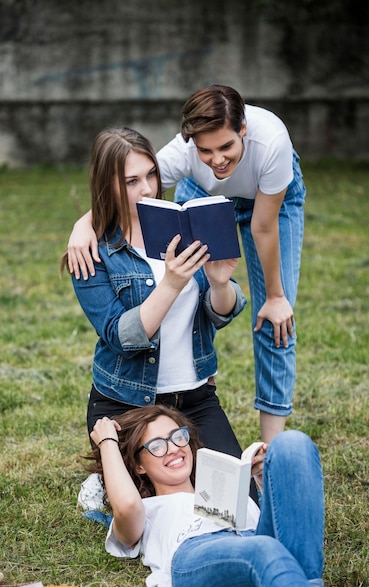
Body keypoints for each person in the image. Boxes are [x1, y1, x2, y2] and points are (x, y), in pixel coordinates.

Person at [66, 85, 307, 443]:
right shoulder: (178, 159)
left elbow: (262, 227)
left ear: (243, 129)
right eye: (206, 150)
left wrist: (262, 293)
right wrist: (83, 223)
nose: (218, 158)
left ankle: (271, 451)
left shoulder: (271, 143)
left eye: (226, 146)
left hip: (268, 201)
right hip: (201, 193)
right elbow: (121, 191)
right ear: (191, 143)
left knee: (276, 318)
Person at [61, 126, 257, 508]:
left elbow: (219, 314)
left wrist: (219, 283)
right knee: (164, 503)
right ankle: (109, 472)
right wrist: (171, 283)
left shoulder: (180, 229)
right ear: (107, 185)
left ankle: (123, 470)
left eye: (151, 174)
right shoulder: (92, 252)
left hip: (195, 398)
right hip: (128, 405)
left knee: (240, 503)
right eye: (131, 181)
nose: (148, 189)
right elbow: (122, 336)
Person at [88, 404, 342, 587]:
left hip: (253, 541)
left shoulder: (227, 493)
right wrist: (107, 442)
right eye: (157, 445)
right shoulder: (147, 511)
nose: (173, 448)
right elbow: (127, 505)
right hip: (197, 561)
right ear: (138, 465)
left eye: (178, 437)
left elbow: (286, 527)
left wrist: (265, 479)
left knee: (292, 444)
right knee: (264, 549)